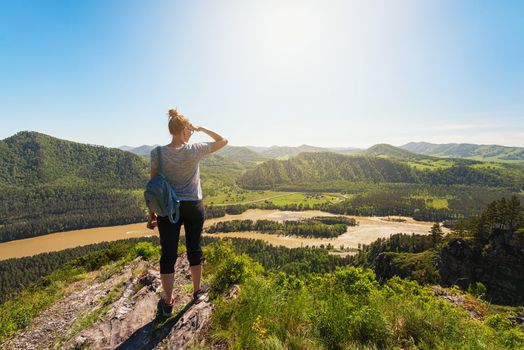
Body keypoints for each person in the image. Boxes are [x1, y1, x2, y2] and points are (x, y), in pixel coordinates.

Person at [147, 108, 228, 316]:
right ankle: (197, 291)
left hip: (167, 209)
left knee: (168, 254)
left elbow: (153, 187)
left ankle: (167, 301)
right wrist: (201, 128)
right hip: (193, 206)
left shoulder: (157, 153)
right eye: (189, 129)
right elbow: (223, 140)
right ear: (184, 130)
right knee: (195, 249)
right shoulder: (194, 149)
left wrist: (152, 214)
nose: (191, 132)